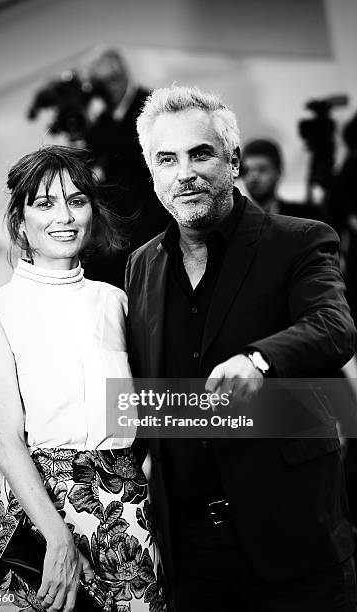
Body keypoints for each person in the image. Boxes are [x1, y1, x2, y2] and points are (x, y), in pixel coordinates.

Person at [125, 86, 357, 611]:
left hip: (293, 538)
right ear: (153, 173)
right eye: (167, 159)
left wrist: (260, 360)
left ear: (232, 161)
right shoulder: (141, 266)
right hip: (189, 552)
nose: (185, 172)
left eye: (200, 153)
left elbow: (333, 326)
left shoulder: (298, 239)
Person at [0, 146, 167, 612]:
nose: (65, 216)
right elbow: (6, 443)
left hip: (126, 510)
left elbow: (141, 408)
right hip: (36, 511)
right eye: (45, 203)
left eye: (77, 201)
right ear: (20, 221)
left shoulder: (116, 301)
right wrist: (57, 538)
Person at [83, 48, 170, 287]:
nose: (109, 88)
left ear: (124, 75)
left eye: (112, 80)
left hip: (156, 222)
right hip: (120, 229)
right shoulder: (100, 123)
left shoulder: (154, 108)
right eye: (100, 83)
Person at [240, 138, 325, 220]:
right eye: (246, 170)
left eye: (262, 169)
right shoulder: (235, 220)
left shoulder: (304, 216)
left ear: (278, 172)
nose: (253, 177)